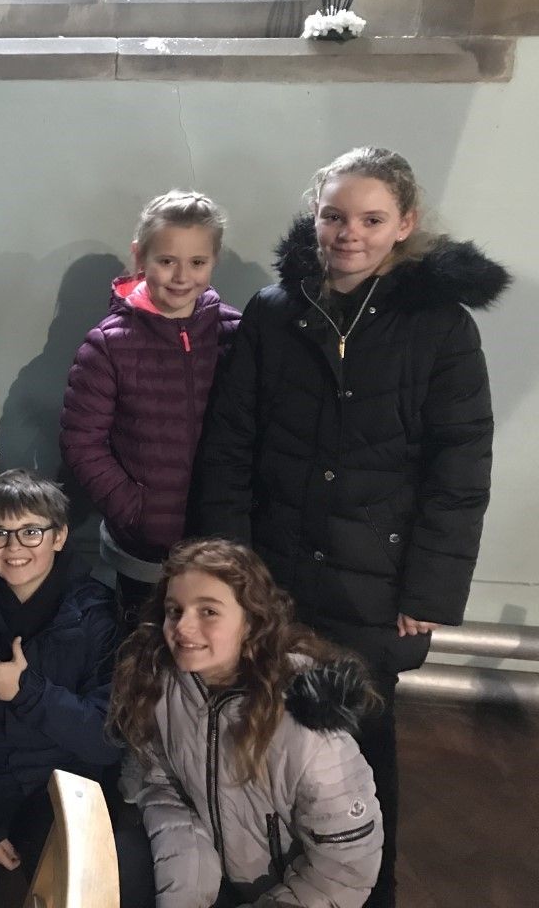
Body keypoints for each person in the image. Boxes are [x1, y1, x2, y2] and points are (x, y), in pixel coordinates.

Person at [191, 147, 511, 907]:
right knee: (262, 735)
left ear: (405, 224)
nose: (349, 234)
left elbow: (459, 469)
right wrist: (230, 567)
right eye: (334, 216)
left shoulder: (441, 327)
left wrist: (431, 587)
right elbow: (231, 442)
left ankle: (367, 893)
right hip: (274, 573)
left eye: (371, 219)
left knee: (358, 755)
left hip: (375, 580)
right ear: (315, 217)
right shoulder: (274, 310)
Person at [0, 468, 151, 908]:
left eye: (31, 532)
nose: (14, 548)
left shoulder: (97, 616)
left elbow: (107, 741)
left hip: (68, 792)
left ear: (59, 536)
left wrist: (27, 691)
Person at [113, 539, 383, 908]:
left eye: (208, 611)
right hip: (215, 876)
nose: (183, 627)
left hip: (297, 895)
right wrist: (186, 895)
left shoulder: (308, 729)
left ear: (252, 621)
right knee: (121, 858)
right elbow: (165, 786)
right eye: (174, 610)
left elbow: (343, 872)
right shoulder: (166, 687)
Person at [60, 190, 241, 625]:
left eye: (197, 262)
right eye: (166, 261)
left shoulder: (235, 333)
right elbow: (82, 442)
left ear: (214, 261)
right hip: (143, 550)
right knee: (142, 657)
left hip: (222, 544)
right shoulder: (109, 344)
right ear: (141, 257)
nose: (181, 277)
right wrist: (134, 510)